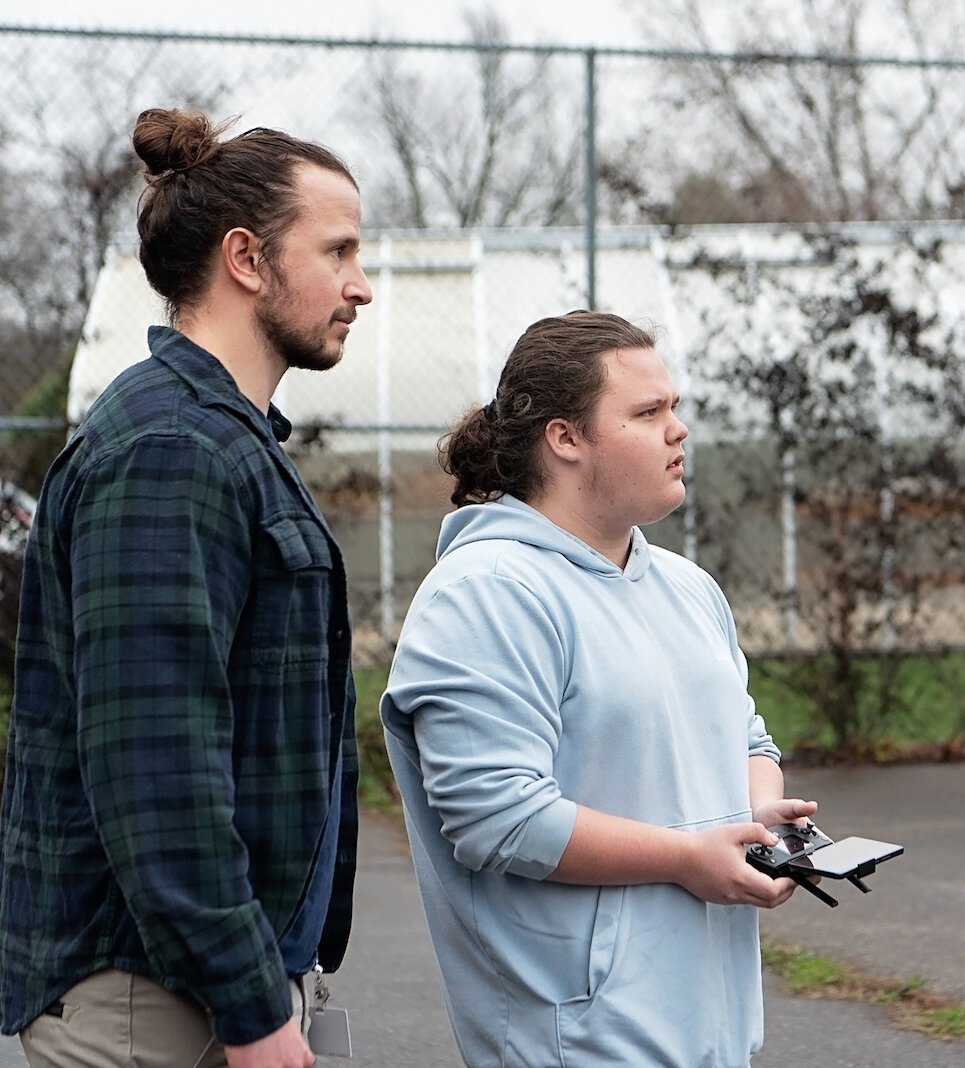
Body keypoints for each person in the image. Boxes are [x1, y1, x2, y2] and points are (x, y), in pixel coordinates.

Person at [0, 107, 372, 1068]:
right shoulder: (172, 450)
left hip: (201, 991)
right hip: (153, 1007)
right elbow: (155, 767)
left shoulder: (223, 441)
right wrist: (251, 1009)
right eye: (337, 251)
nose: (360, 285)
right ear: (247, 259)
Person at [382, 310, 818, 1067]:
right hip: (578, 1043)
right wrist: (686, 856)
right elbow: (499, 819)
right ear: (566, 438)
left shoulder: (687, 587)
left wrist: (753, 810)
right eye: (648, 413)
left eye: (674, 408)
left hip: (715, 1034)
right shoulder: (485, 593)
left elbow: (748, 740)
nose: (679, 430)